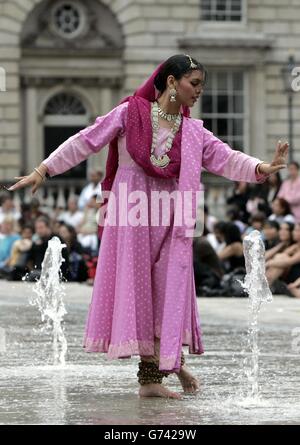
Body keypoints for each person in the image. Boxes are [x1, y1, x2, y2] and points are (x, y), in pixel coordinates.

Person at [5, 54, 288, 399]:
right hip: (132, 216)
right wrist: (44, 169)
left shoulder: (193, 132)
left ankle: (169, 361)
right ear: (171, 82)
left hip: (173, 218)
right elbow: (86, 140)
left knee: (168, 290)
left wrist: (261, 167)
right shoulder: (130, 114)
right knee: (139, 292)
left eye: (201, 85)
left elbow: (225, 157)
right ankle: (152, 378)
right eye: (194, 83)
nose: (199, 92)